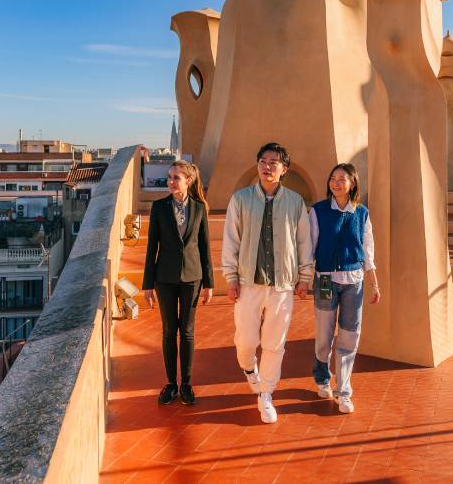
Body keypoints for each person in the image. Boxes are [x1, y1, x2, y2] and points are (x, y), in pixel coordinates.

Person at [221, 142, 312, 424]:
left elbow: (303, 242)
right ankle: (250, 369)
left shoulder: (295, 202)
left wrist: (305, 277)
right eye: (263, 160)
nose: (267, 166)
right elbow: (231, 241)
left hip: (282, 285)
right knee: (246, 341)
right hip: (249, 282)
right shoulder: (241, 199)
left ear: (284, 169)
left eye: (274, 162)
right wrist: (231, 277)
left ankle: (267, 393)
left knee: (275, 344)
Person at [142, 160, 213, 406]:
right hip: (164, 279)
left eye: (175, 178)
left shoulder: (200, 208)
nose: (170, 182)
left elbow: (204, 247)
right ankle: (171, 383)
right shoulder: (159, 207)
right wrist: (147, 284)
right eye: (169, 177)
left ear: (188, 181)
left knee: (189, 332)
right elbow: (152, 246)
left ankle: (187, 385)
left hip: (193, 278)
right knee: (169, 331)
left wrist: (210, 282)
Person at [310, 163, 380, 414]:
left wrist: (373, 282)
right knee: (324, 335)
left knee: (349, 336)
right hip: (325, 280)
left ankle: (344, 391)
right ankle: (322, 377)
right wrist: (306, 278)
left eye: (342, 179)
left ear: (353, 184)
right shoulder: (318, 211)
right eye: (333, 178)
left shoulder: (361, 213)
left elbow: (368, 249)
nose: (336, 182)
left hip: (354, 281)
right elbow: (311, 245)